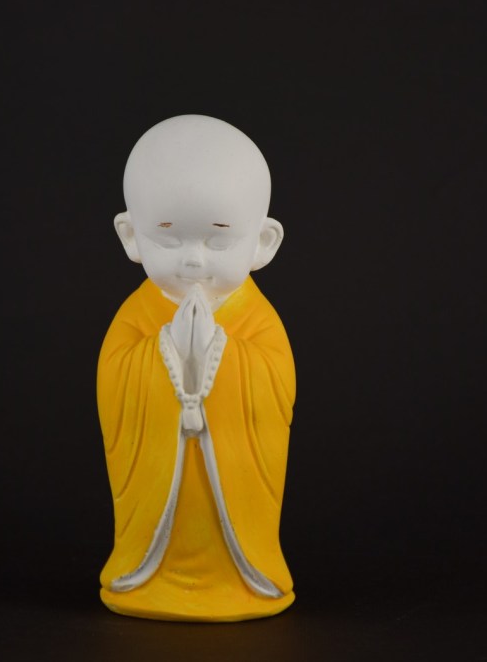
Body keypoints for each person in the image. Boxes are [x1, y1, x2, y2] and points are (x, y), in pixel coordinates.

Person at [98, 114, 295, 621]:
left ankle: (242, 576)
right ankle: (147, 574)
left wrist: (220, 353)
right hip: (157, 501)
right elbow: (115, 390)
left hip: (233, 516)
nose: (193, 262)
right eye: (168, 239)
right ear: (130, 235)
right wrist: (162, 351)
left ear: (263, 242)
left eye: (218, 241)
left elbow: (274, 395)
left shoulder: (259, 321)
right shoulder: (135, 317)